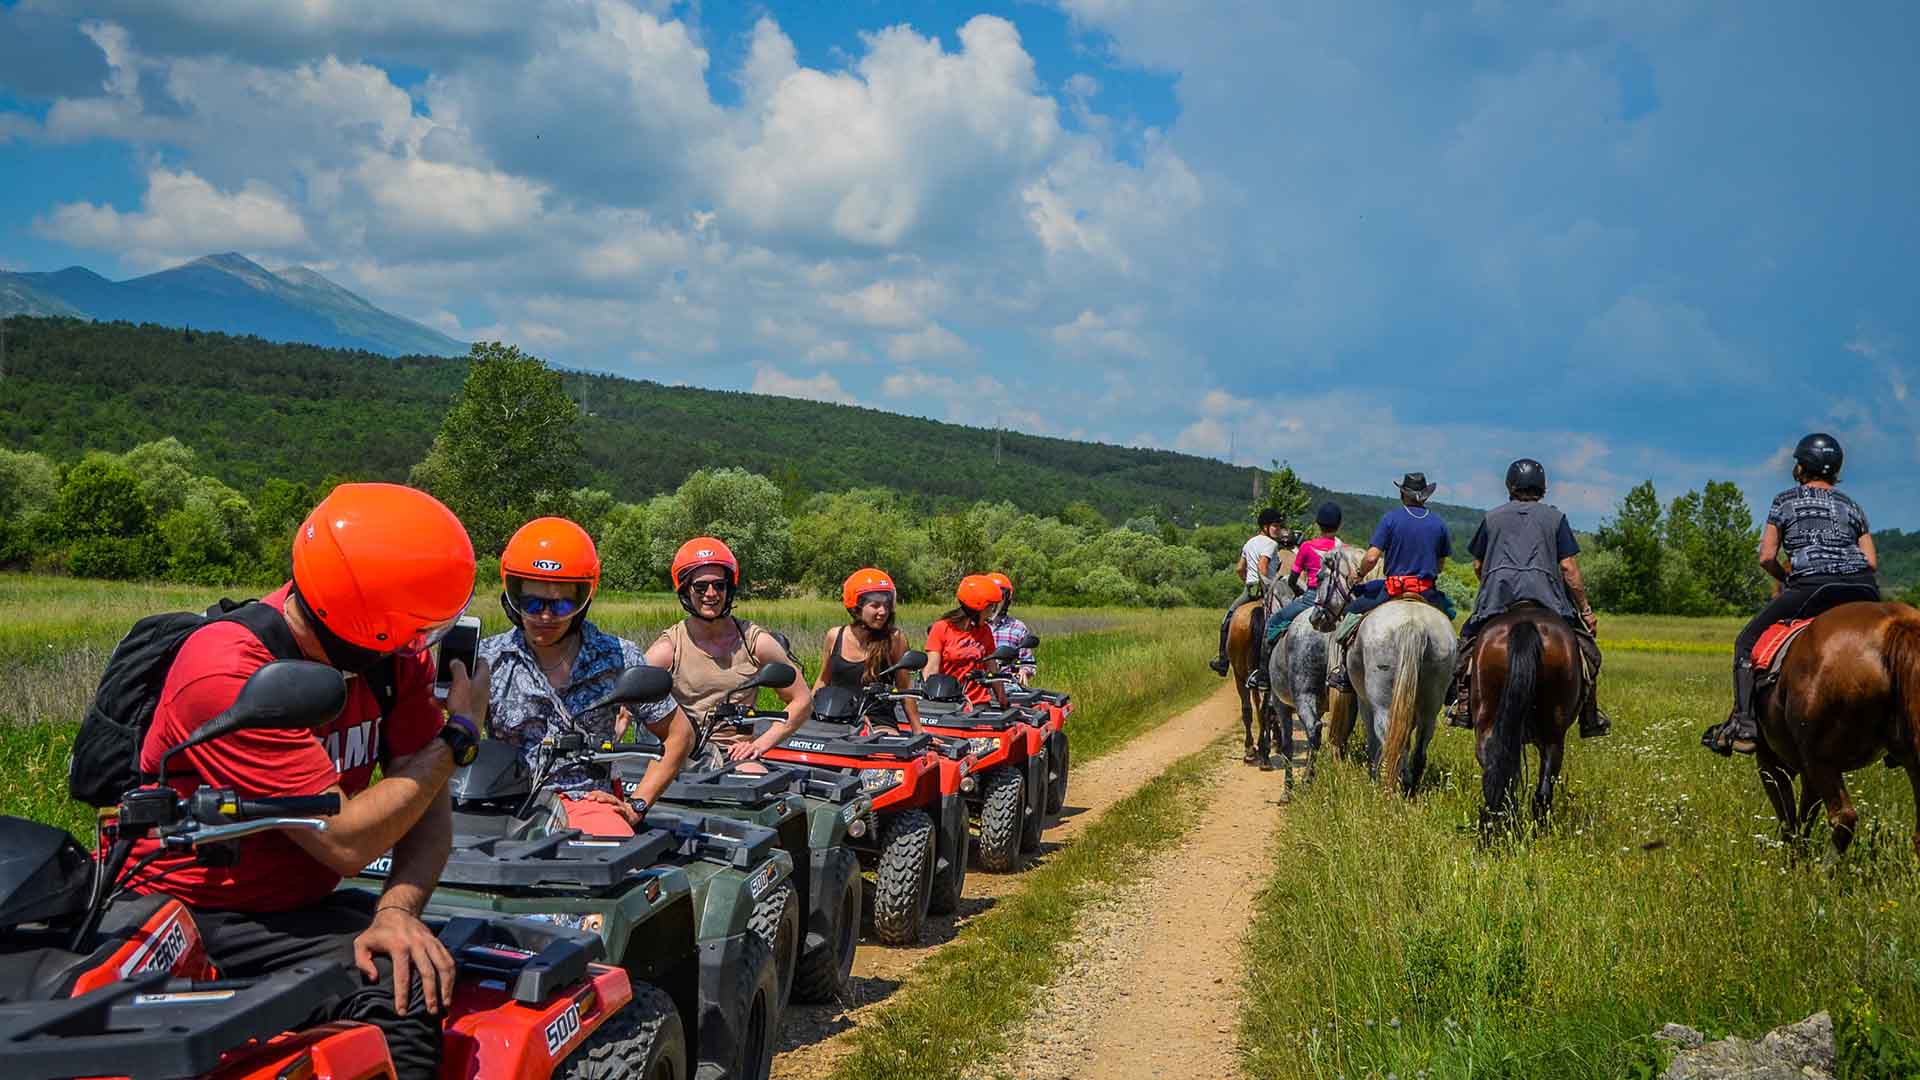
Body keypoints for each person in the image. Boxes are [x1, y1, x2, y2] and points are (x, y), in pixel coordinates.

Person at [126, 483, 486, 1080]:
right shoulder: (231, 673)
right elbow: (346, 842)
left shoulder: (392, 660)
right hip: (195, 913)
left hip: (300, 906)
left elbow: (425, 806)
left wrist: (398, 910)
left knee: (417, 970)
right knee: (402, 998)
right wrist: (459, 736)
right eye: (414, 630)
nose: (421, 644)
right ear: (366, 618)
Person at [479, 517, 693, 835]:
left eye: (562, 604)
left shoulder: (616, 657)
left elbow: (679, 735)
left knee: (613, 863)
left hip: (585, 802)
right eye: (532, 602)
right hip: (504, 804)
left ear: (582, 601)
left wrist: (638, 804)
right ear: (513, 598)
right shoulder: (488, 659)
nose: (545, 616)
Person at [1706, 433, 1880, 755]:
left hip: (1815, 586)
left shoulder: (1785, 500)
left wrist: (1786, 577)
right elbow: (1870, 560)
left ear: (1801, 466)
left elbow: (1766, 556)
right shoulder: (1853, 506)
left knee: (1745, 642)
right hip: (1864, 589)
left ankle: (1744, 725)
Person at [1445, 460, 1608, 737]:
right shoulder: (1556, 519)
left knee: (1465, 650)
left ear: (1510, 485)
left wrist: (1492, 585)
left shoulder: (1491, 518)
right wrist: (1586, 610)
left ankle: (1462, 706)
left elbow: (1477, 565)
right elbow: (1568, 568)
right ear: (1543, 489)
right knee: (1589, 653)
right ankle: (1590, 715)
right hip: (1550, 603)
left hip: (1498, 601)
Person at [644, 536, 813, 765]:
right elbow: (626, 708)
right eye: (700, 586)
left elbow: (801, 699)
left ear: (729, 588)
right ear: (686, 590)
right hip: (678, 756)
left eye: (719, 585)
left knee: (753, 784)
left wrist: (759, 745)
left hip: (733, 756)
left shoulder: (755, 641)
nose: (711, 593)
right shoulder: (668, 649)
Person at [1328, 473, 1457, 691]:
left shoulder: (1391, 519)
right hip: (1425, 590)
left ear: (1402, 494)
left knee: (1352, 612)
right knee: (1450, 621)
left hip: (1392, 588)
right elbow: (1439, 566)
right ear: (1425, 496)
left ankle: (1344, 672)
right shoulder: (1439, 524)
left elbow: (1371, 557)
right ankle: (1452, 681)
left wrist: (1359, 573)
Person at [816, 567, 921, 733]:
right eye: (875, 605)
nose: (883, 611)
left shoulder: (894, 639)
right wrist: (805, 713)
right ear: (856, 608)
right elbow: (823, 681)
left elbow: (905, 689)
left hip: (877, 722)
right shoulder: (835, 636)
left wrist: (919, 733)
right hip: (835, 718)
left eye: (886, 605)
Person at [1209, 508, 1286, 675]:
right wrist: (1267, 585)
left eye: (1279, 526)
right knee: (1286, 619)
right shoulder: (1272, 544)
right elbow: (1263, 566)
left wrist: (1248, 581)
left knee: (1228, 618)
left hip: (1249, 589)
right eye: (1275, 526)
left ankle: (1223, 660)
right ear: (1265, 526)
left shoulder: (1249, 542)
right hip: (1267, 589)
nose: (1278, 529)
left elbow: (1239, 568)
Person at [926, 574, 1003, 707]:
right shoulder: (942, 628)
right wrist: (931, 700)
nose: (991, 613)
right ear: (978, 607)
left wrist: (1003, 701)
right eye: (990, 608)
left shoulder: (985, 631)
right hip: (949, 701)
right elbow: (931, 669)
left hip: (979, 703)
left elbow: (993, 669)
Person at [1270, 501, 1345, 638]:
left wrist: (1295, 587)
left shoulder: (1306, 546)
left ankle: (1267, 656)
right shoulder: (1344, 549)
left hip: (1311, 597)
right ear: (1340, 525)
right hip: (1337, 601)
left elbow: (1293, 577)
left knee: (1275, 621)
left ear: (1317, 524)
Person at [986, 571, 1036, 686]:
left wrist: (1023, 671)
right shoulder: (973, 626)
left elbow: (1027, 662)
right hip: (978, 685)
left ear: (1007, 599)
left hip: (1007, 685)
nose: (994, 603)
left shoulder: (1017, 628)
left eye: (999, 598)